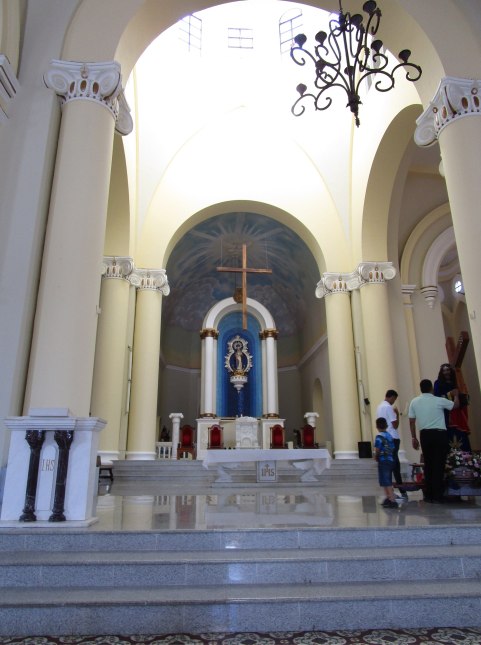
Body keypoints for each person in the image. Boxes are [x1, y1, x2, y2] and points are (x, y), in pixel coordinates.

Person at [408, 379, 459, 503]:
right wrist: (456, 395)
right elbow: (455, 406)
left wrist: (414, 437)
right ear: (431, 388)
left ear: (421, 389)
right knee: (439, 464)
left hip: (425, 435)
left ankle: (428, 495)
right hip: (439, 434)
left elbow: (412, 421)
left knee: (428, 463)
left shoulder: (414, 401)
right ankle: (437, 495)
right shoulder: (438, 400)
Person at [376, 389, 407, 500]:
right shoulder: (389, 407)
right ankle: (401, 488)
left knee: (388, 465)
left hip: (384, 438)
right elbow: (395, 425)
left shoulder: (379, 407)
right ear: (392, 397)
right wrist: (397, 414)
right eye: (394, 399)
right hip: (392, 437)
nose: (394, 401)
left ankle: (391, 492)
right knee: (395, 464)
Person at [434, 363, 471, 451]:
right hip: (447, 414)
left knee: (461, 433)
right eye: (444, 371)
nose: (446, 372)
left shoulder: (455, 382)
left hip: (458, 413)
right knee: (450, 434)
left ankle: (465, 454)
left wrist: (463, 397)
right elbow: (437, 397)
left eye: (448, 370)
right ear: (441, 372)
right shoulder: (438, 383)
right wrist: (450, 394)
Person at [374, 417, 398, 509]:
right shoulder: (389, 436)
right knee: (385, 480)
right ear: (386, 426)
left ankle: (392, 499)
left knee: (386, 481)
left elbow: (377, 449)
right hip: (391, 459)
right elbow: (393, 447)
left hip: (383, 460)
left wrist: (376, 456)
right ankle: (388, 498)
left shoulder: (379, 437)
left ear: (377, 427)